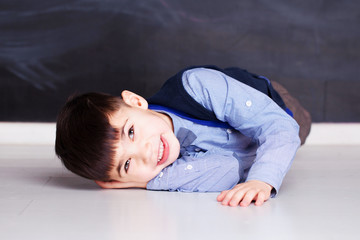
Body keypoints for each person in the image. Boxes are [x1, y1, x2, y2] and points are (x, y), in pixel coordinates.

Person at [55, 65, 311, 207]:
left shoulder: (197, 85)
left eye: (131, 132)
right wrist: (146, 182)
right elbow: (232, 169)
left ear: (135, 101)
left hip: (274, 105)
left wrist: (263, 179)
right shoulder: (164, 164)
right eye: (127, 164)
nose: (146, 152)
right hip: (252, 144)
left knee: (299, 129)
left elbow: (280, 127)